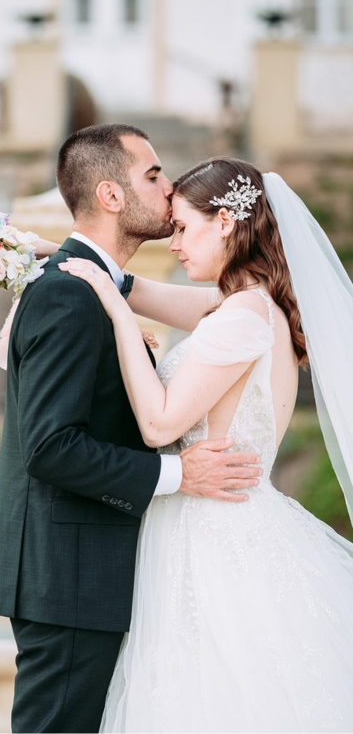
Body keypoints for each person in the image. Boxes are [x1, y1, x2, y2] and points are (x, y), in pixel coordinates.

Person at [0, 126, 262, 734]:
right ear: (109, 194)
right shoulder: (68, 297)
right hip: (66, 570)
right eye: (153, 176)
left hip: (82, 564)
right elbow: (50, 447)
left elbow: (230, 306)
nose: (169, 187)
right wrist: (182, 473)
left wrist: (117, 287)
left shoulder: (88, 287)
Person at [59, 156, 353, 733]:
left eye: (183, 229)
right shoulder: (249, 304)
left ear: (225, 223)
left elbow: (159, 427)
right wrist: (61, 256)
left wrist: (116, 313)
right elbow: (149, 291)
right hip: (223, 520)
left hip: (214, 532)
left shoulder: (241, 317)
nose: (173, 244)